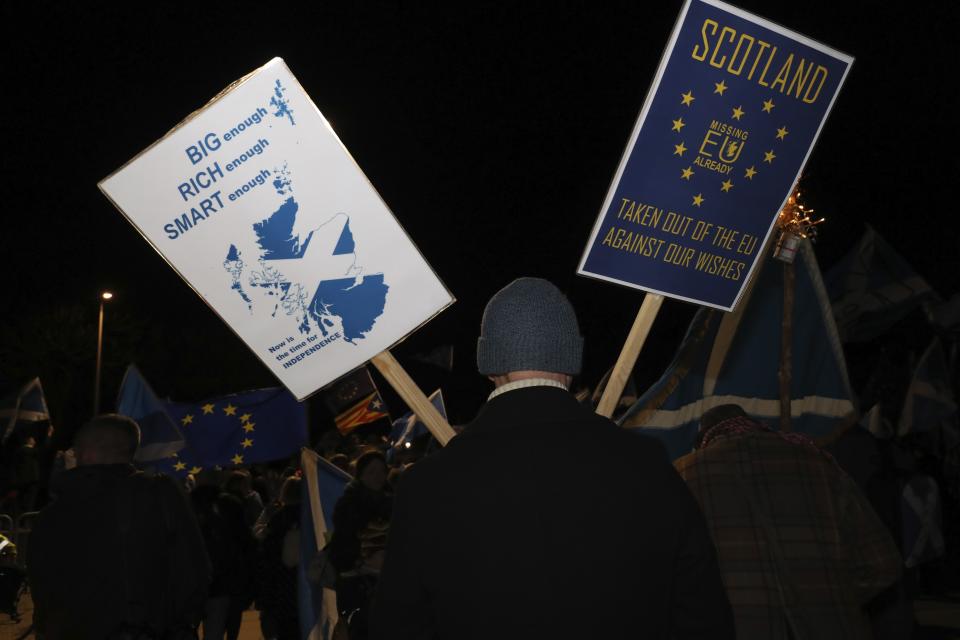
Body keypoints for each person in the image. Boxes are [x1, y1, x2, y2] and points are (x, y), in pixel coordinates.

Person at [371, 277, 733, 639]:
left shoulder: (426, 486)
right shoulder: (647, 463)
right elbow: (702, 615)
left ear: (488, 361)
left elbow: (397, 626)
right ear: (571, 358)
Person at [675, 404, 902, 639]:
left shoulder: (684, 474)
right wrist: (831, 597)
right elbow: (882, 564)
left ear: (704, 437)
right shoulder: (819, 462)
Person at [27, 414, 209, 639]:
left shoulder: (51, 513)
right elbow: (193, 571)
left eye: (74, 450)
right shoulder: (157, 495)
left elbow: (41, 585)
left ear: (87, 453)